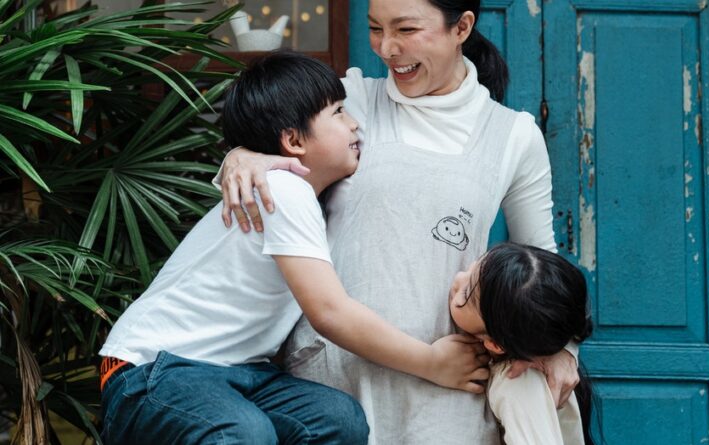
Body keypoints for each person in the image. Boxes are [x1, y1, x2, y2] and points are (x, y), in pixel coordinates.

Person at [216, 1, 580, 443]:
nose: (387, 48)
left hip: (446, 390)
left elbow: (540, 262)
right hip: (332, 383)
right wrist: (241, 155)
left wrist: (560, 350)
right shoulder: (348, 101)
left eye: (405, 29)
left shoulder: (513, 135)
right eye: (375, 28)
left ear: (462, 27)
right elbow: (274, 142)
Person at [98, 51, 488, 445]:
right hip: (152, 368)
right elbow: (329, 313)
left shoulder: (307, 196)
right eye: (339, 113)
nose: (354, 124)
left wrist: (241, 154)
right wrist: (431, 362)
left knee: (337, 419)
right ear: (294, 140)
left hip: (237, 372)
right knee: (243, 433)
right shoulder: (284, 191)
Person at [449, 243, 594, 445]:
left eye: (466, 294)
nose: (458, 278)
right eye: (472, 268)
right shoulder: (525, 360)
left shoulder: (517, 382)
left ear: (495, 344)